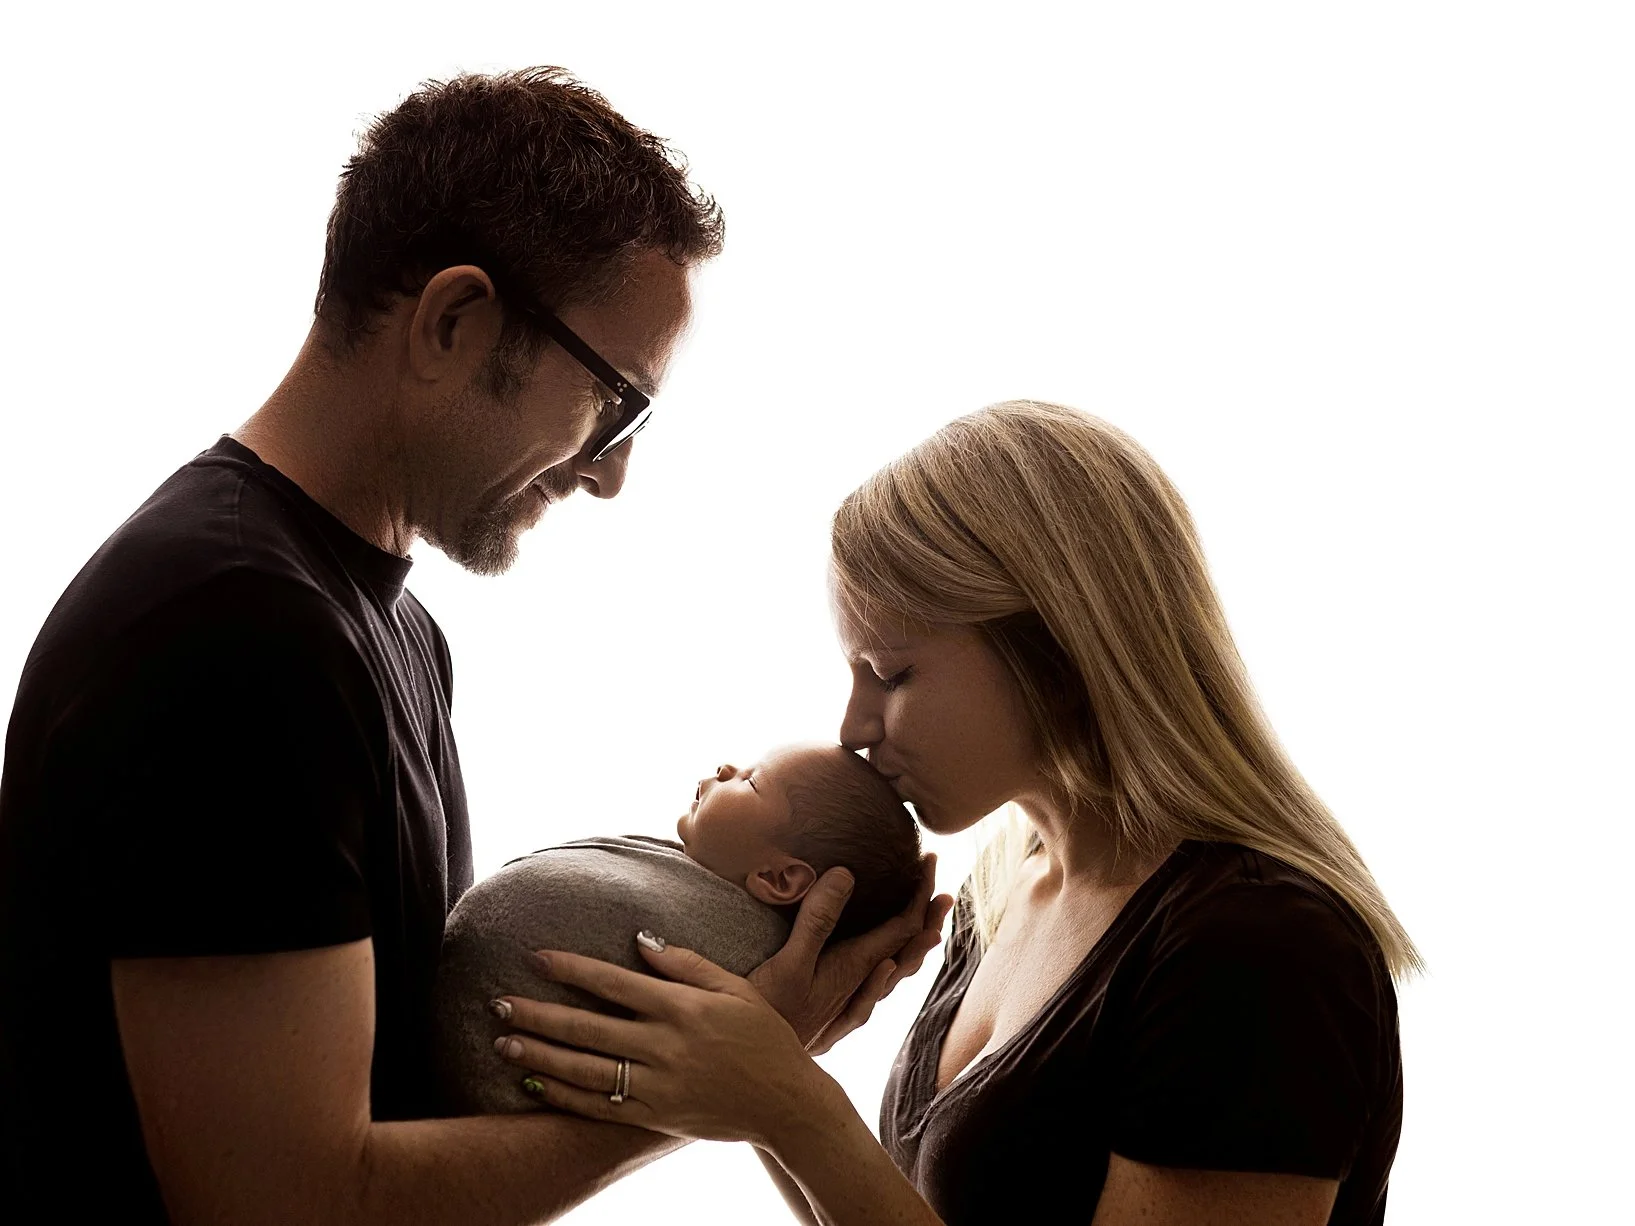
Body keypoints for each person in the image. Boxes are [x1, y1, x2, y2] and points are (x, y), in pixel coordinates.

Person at [0, 69, 946, 1225]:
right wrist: (725, 1080)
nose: (609, 472)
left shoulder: (386, 628)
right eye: (616, 403)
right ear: (454, 320)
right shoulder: (231, 629)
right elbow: (287, 1206)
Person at [484, 400, 1416, 1226]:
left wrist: (794, 1109)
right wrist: (764, 1071)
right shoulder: (1004, 892)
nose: (852, 728)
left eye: (890, 673)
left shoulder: (1258, 947)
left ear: (1055, 643)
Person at [434, 742, 921, 1115]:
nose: (728, 768)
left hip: (481, 1084)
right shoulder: (697, 886)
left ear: (780, 879)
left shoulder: (747, 967)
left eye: (751, 782)